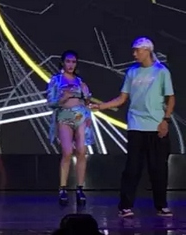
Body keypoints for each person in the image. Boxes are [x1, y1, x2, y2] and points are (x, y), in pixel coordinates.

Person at [90, 37, 175, 218]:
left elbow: (170, 98)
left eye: (137, 50)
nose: (134, 54)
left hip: (156, 126)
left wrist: (165, 120)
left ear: (147, 51)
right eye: (134, 50)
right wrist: (101, 106)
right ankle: (125, 206)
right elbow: (122, 98)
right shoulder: (132, 72)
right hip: (136, 126)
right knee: (132, 168)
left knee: (158, 169)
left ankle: (161, 205)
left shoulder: (161, 72)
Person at [47, 50, 94, 206]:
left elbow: (86, 102)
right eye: (68, 61)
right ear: (63, 63)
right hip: (64, 117)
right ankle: (62, 189)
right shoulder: (56, 80)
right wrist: (63, 98)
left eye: (73, 62)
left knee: (81, 151)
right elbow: (50, 102)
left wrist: (87, 100)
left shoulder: (80, 82)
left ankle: (80, 188)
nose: (71, 65)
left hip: (80, 116)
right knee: (67, 152)